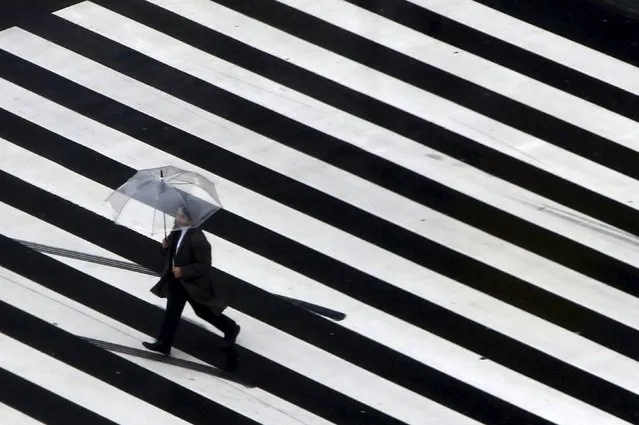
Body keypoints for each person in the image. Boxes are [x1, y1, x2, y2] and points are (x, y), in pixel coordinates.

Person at [142, 206, 240, 355]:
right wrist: (165, 247)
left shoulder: (198, 240)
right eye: (178, 215)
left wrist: (184, 271)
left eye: (182, 217)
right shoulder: (177, 229)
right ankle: (164, 344)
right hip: (177, 281)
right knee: (172, 312)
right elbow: (173, 251)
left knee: (203, 312)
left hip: (193, 284)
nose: (178, 219)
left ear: (191, 219)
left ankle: (230, 327)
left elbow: (204, 266)